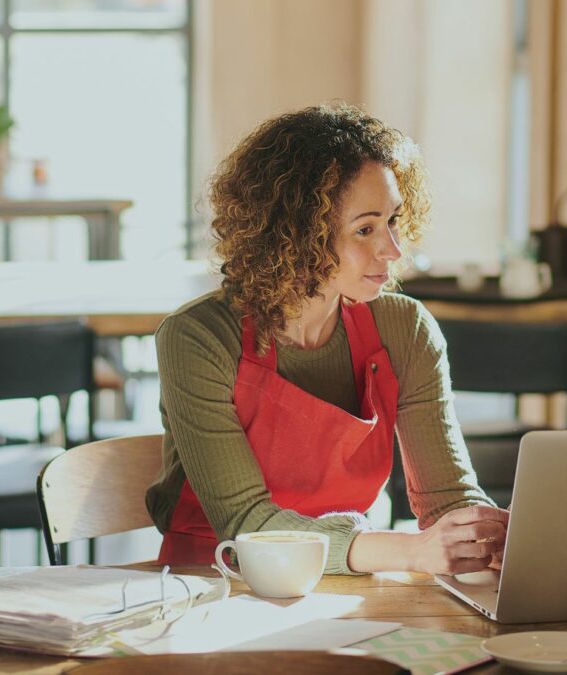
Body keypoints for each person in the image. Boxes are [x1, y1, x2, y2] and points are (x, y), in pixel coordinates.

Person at [145, 103, 508, 574]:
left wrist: (488, 535)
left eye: (393, 221)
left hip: (349, 586)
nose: (393, 250)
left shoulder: (406, 329)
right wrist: (410, 552)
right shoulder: (197, 338)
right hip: (214, 585)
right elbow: (247, 523)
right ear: (296, 234)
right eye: (365, 229)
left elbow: (448, 499)